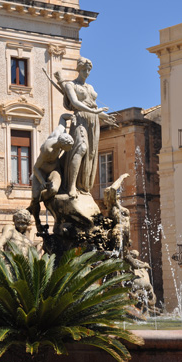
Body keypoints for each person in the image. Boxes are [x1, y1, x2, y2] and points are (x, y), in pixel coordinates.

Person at [55, 57, 117, 198]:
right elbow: (75, 103)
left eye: (89, 69)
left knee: (91, 154)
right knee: (80, 148)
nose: (87, 72)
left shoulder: (90, 88)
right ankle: (71, 186)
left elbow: (93, 106)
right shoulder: (71, 85)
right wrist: (94, 111)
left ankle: (83, 187)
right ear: (78, 69)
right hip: (80, 118)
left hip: (93, 121)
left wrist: (105, 117)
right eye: (84, 69)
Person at [27, 113, 74, 232]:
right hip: (41, 172)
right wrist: (42, 181)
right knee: (35, 197)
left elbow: (62, 117)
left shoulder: (59, 134)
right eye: (68, 148)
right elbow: (36, 167)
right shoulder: (47, 150)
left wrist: (73, 117)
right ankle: (37, 222)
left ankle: (41, 198)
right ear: (62, 145)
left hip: (54, 169)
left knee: (53, 190)